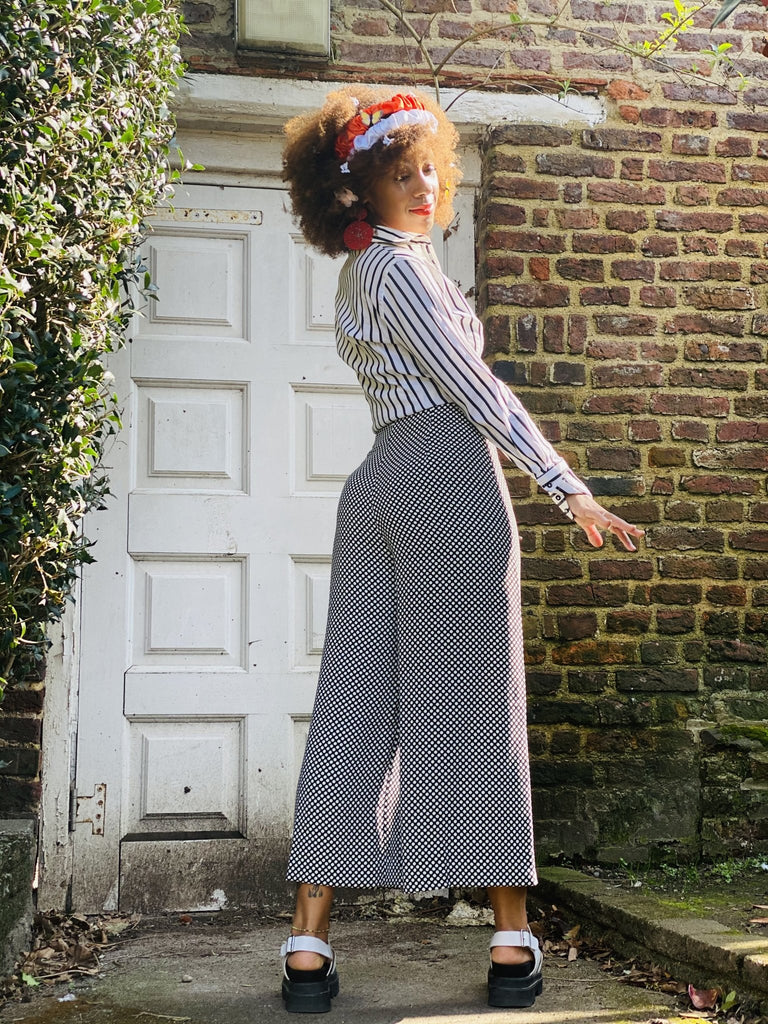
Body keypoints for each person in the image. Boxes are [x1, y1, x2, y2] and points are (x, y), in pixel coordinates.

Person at [279, 87, 644, 1015]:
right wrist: (566, 484)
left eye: (431, 169)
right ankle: (511, 936)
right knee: (475, 704)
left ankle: (308, 945)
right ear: (361, 190)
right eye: (403, 175)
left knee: (356, 700)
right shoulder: (399, 271)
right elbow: (475, 389)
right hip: (446, 476)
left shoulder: (370, 271)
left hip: (381, 481)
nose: (427, 186)